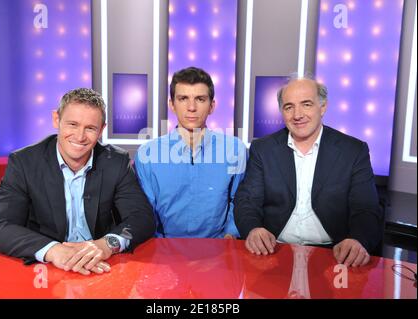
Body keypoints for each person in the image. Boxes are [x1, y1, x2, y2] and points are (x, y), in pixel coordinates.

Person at [0, 88, 155, 275]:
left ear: (101, 130)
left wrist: (108, 243)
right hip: (46, 269)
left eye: (90, 128)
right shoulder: (24, 162)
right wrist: (53, 250)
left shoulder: (116, 162)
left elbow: (142, 218)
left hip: (100, 265)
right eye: (72, 124)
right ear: (56, 120)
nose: (80, 136)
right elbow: (0, 228)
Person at [234, 75, 382, 267]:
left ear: (323, 107)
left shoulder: (353, 151)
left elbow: (366, 208)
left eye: (306, 104)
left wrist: (358, 240)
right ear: (281, 111)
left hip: (334, 255)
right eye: (289, 107)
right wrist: (253, 229)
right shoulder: (263, 149)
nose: (297, 114)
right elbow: (247, 200)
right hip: (274, 252)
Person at [134, 66, 246, 238]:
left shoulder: (235, 150)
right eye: (183, 98)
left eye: (200, 99)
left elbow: (239, 201)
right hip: (165, 253)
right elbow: (145, 212)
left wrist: (230, 236)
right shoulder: (147, 154)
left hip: (219, 250)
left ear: (211, 106)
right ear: (172, 104)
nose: (191, 107)